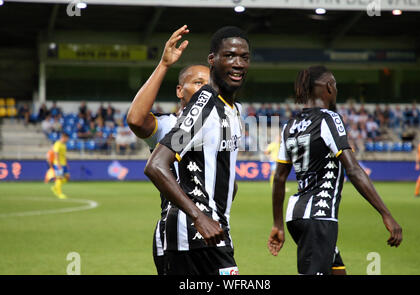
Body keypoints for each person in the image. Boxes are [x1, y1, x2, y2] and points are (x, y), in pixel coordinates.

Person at [267, 65, 402, 275]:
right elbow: (354, 170)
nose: (336, 90)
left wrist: (277, 224)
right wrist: (386, 214)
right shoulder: (329, 119)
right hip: (319, 217)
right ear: (329, 87)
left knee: (338, 271)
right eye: (335, 85)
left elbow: (279, 179)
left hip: (296, 216)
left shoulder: (289, 126)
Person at [144, 26, 250, 275]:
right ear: (212, 60)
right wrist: (199, 216)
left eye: (244, 57)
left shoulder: (233, 110)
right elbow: (156, 165)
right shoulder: (203, 105)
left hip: (214, 232)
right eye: (230, 56)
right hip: (192, 237)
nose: (238, 64)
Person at [127, 25, 210, 274]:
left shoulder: (221, 128)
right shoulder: (170, 126)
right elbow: (136, 120)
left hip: (214, 229)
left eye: (210, 84)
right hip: (176, 231)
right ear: (179, 91)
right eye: (198, 82)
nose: (206, 89)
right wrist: (164, 65)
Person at [50, 132, 70, 199]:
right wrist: (58, 164)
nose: (67, 140)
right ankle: (59, 194)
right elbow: (56, 154)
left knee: (67, 177)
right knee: (59, 178)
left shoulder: (64, 145)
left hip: (63, 164)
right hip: (58, 164)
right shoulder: (57, 144)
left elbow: (64, 155)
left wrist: (66, 163)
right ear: (63, 137)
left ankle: (55, 187)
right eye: (67, 138)